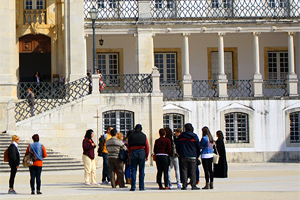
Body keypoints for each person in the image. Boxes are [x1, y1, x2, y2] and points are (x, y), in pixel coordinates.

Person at [175, 123, 200, 190]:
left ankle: (184, 185)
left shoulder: (181, 136)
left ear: (185, 128)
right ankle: (193, 185)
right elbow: (198, 146)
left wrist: (180, 153)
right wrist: (197, 155)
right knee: (193, 171)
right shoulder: (194, 136)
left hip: (183, 156)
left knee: (183, 170)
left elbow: (177, 146)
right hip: (192, 156)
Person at [128, 124, 149, 191]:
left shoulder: (131, 136)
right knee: (141, 170)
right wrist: (146, 155)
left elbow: (128, 146)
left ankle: (133, 186)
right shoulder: (143, 136)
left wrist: (130, 153)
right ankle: (141, 186)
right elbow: (147, 146)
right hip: (141, 151)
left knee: (133, 170)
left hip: (133, 151)